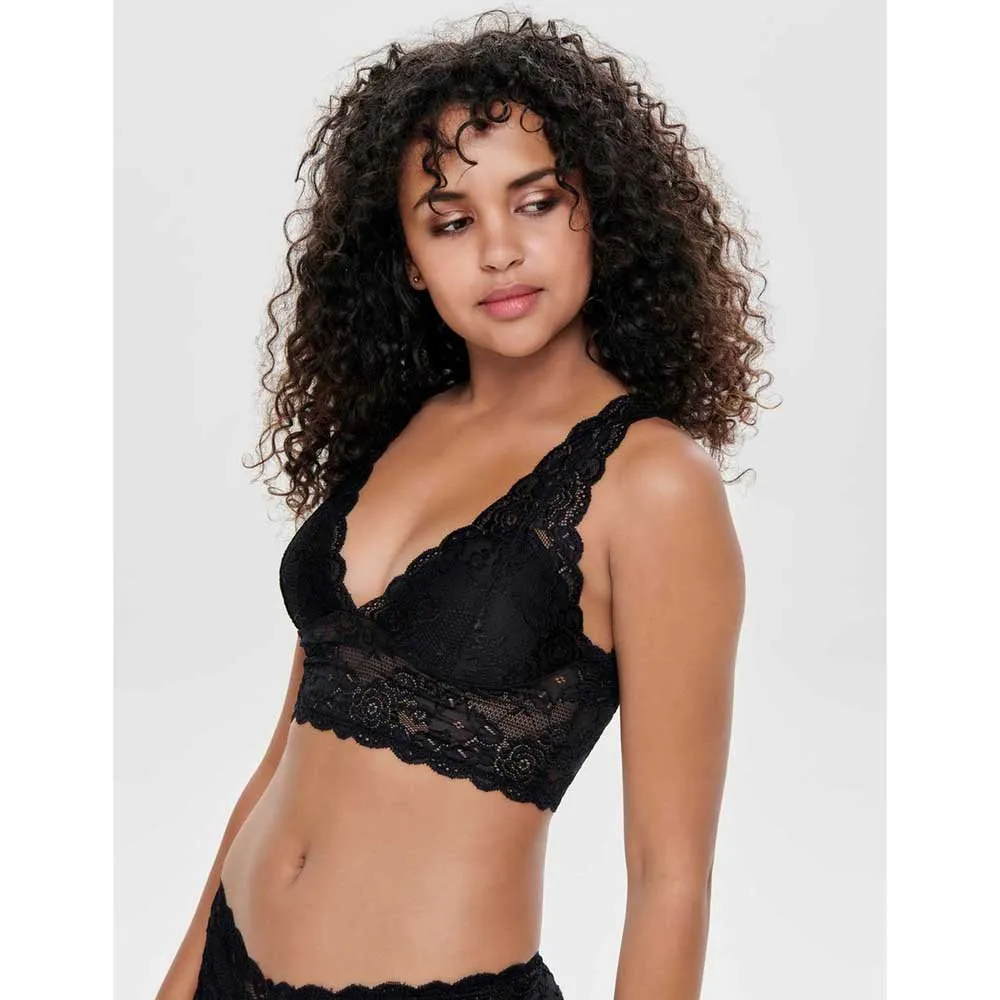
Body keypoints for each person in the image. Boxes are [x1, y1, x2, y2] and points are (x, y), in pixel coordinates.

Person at [156, 10, 771, 1000]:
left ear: (599, 212)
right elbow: (286, 755)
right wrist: (182, 978)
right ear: (408, 256)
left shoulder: (652, 483)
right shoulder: (400, 428)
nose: (498, 251)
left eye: (536, 203)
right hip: (233, 960)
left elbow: (670, 878)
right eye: (451, 221)